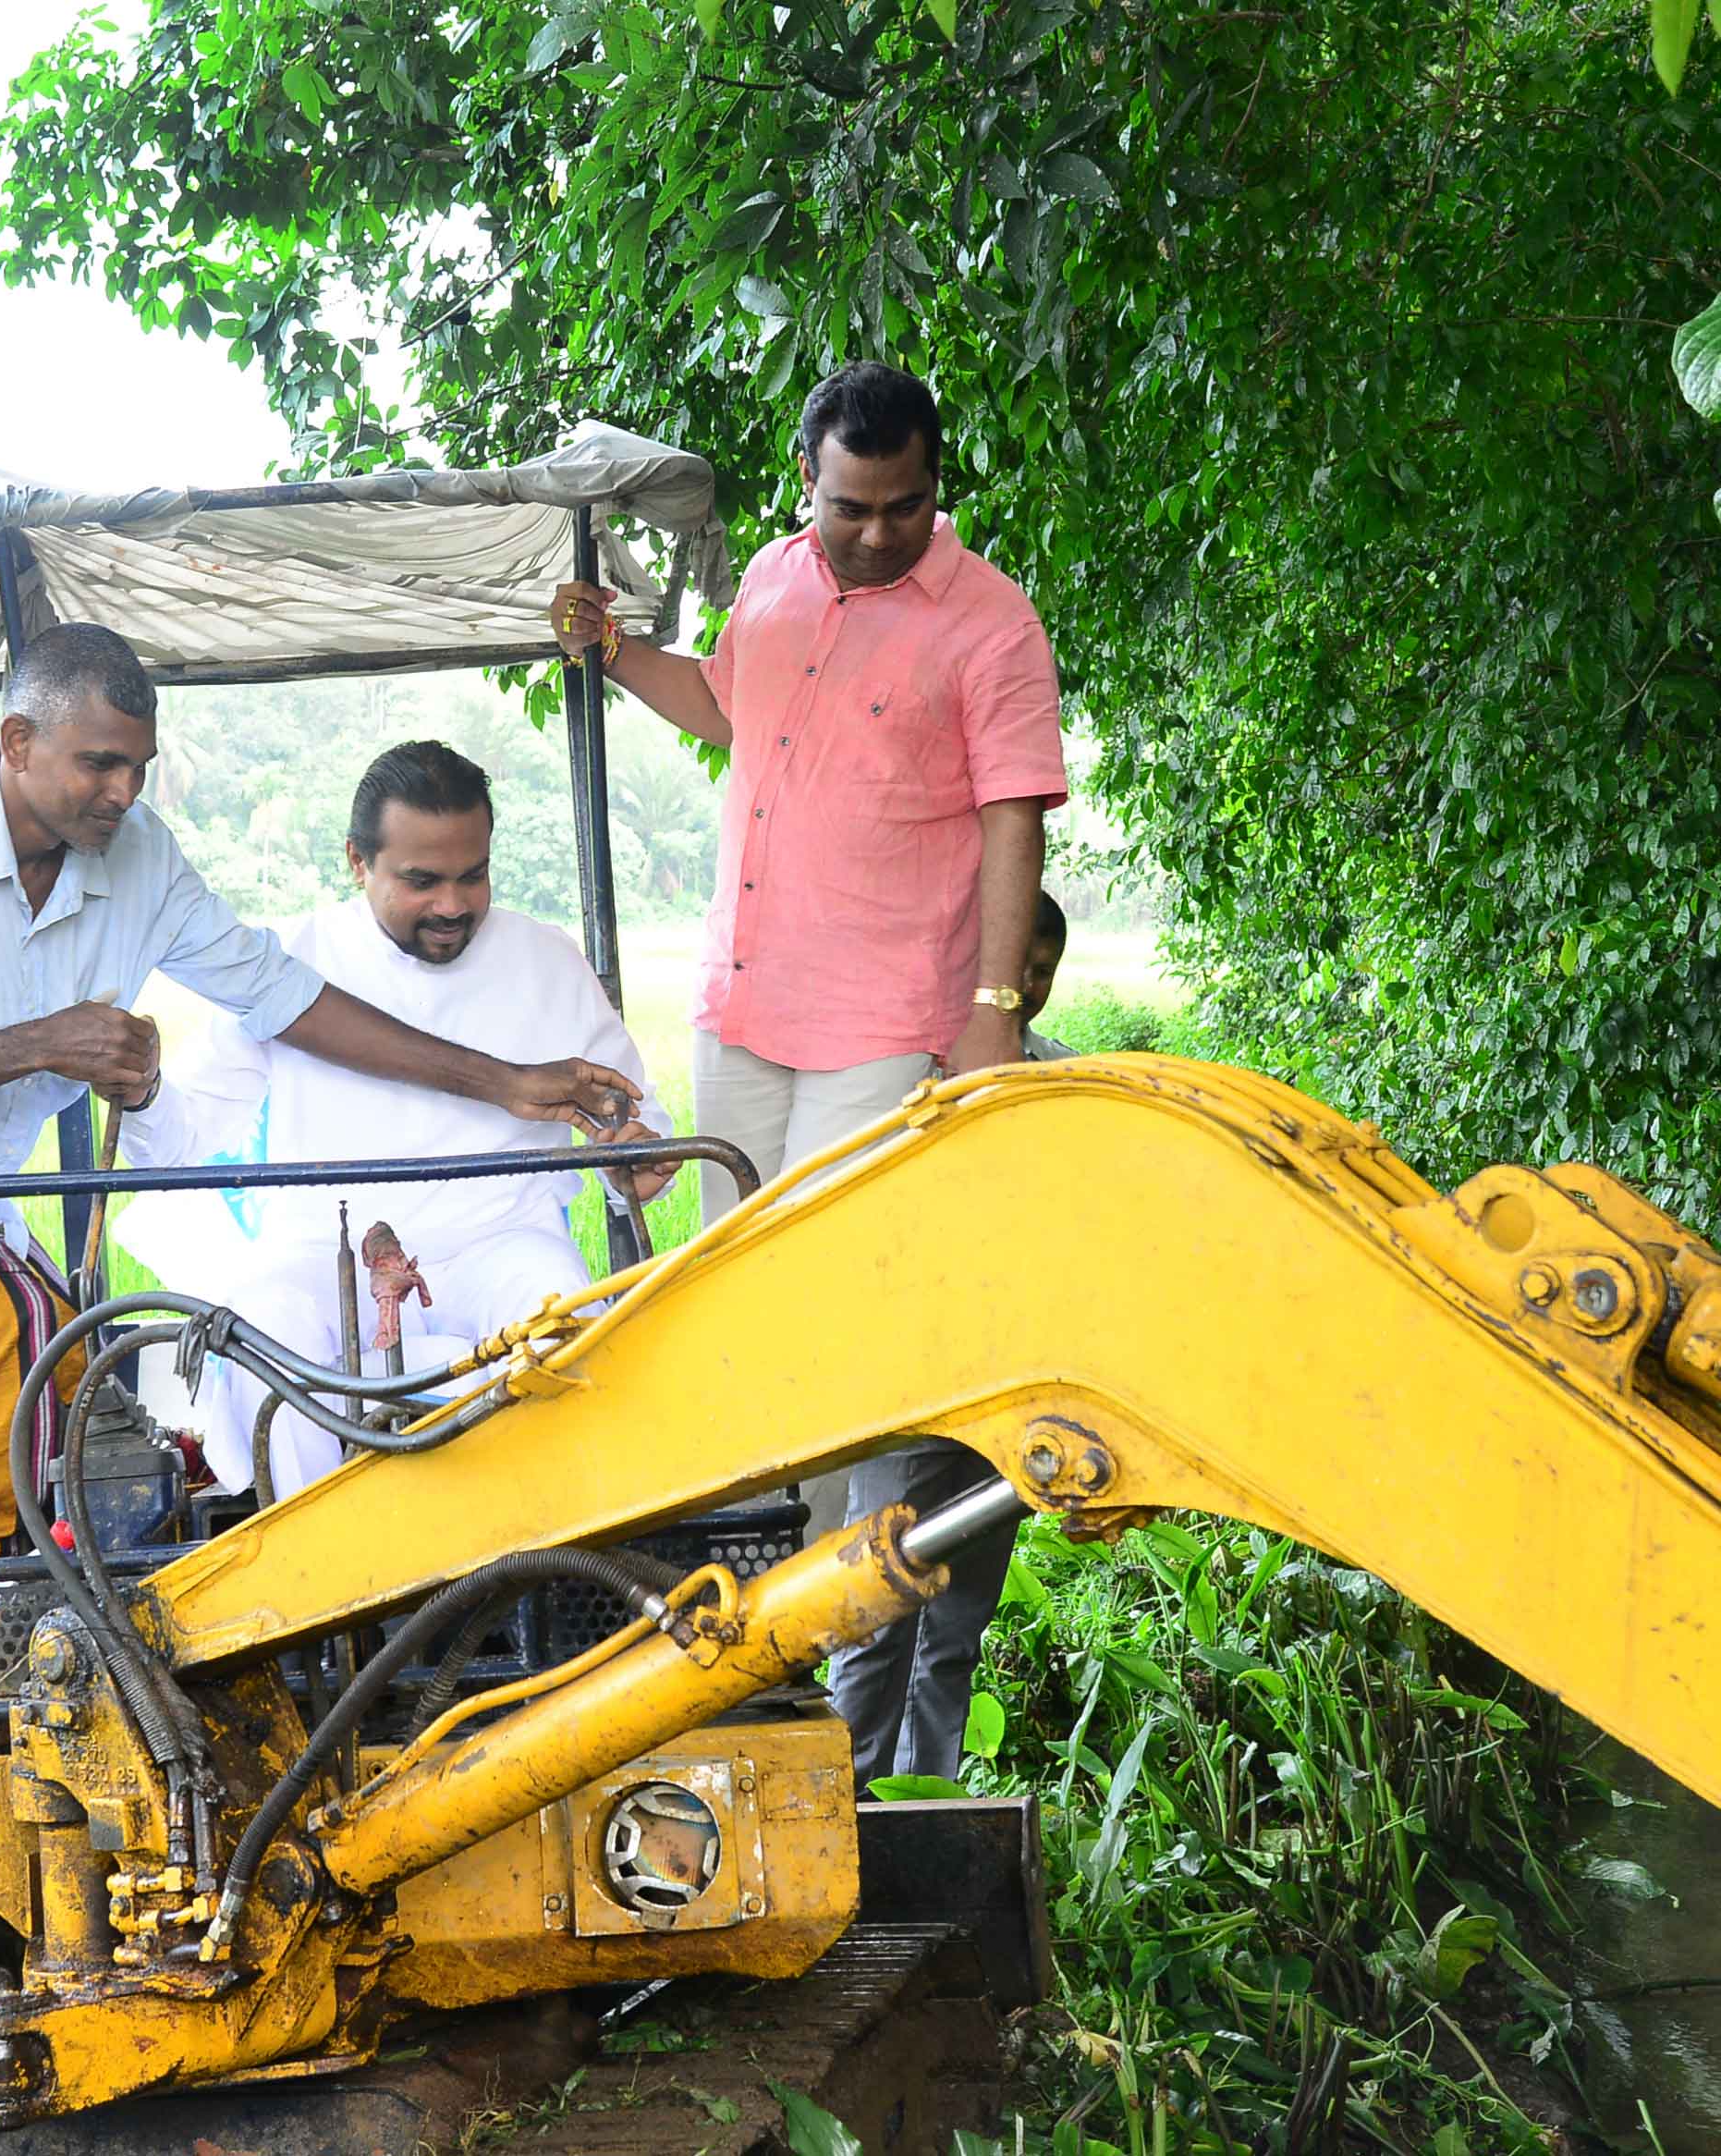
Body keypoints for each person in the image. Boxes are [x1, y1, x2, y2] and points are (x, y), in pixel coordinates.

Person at [0, 626, 638, 1562]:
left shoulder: (139, 855)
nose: (124, 793)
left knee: (75, 1380)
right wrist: (42, 1047)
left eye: (138, 766)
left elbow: (283, 997)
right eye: (99, 765)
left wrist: (512, 1084)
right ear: (17, 743)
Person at [550, 361, 1067, 1788]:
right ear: (806, 479)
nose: (878, 535)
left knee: (846, 1317)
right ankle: (758, 1613)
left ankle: (844, 1630)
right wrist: (613, 654)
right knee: (746, 1309)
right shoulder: (774, 581)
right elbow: (733, 717)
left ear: (936, 491)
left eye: (906, 509)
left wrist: (991, 1006)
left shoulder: (990, 622)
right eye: (852, 508)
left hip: (891, 1017)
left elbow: (1017, 820)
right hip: (744, 1008)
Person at [116, 741, 674, 1497]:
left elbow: (637, 1125)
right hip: (322, 1255)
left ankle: (537, 1569)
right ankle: (327, 1581)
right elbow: (179, 1148)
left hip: (498, 1241)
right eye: (422, 881)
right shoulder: (291, 962)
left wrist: (635, 1163)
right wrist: (143, 1088)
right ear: (357, 861)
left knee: (557, 1316)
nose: (452, 905)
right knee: (267, 1327)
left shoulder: (546, 961)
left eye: (472, 876)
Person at [1020, 888, 1076, 1062]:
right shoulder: (937, 1068)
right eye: (1015, 968)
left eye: (1042, 972)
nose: (1027, 986)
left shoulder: (1066, 1072)